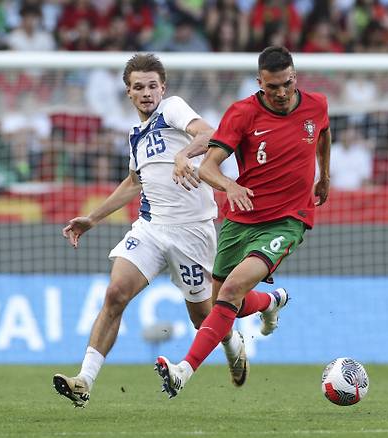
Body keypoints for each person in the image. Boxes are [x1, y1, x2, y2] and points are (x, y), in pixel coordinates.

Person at [52, 53, 278, 408]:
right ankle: (84, 380)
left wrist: (183, 154)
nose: (146, 93)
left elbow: (209, 133)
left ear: (163, 88)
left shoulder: (172, 109)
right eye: (138, 87)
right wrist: (92, 219)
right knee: (115, 293)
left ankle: (242, 335)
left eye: (152, 86)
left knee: (206, 316)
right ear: (128, 93)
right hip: (152, 228)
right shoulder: (135, 135)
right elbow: (133, 182)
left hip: (193, 234)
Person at [155, 46, 331, 398]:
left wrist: (325, 175)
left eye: (287, 83)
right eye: (273, 87)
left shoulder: (316, 104)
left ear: (295, 77)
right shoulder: (242, 114)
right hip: (241, 220)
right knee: (222, 308)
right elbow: (207, 167)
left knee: (232, 291)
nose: (281, 93)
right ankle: (270, 302)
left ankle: (182, 371)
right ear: (259, 83)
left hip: (287, 220)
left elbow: (323, 133)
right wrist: (230, 185)